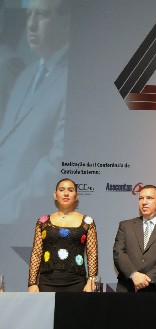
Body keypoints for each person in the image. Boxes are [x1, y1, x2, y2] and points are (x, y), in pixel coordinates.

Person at [0, 0, 70, 224]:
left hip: (22, 219)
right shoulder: (26, 75)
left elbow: (58, 163)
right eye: (29, 15)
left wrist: (7, 209)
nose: (31, 25)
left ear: (66, 22)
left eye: (42, 15)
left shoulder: (74, 78)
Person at [27, 178, 97, 292]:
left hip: (76, 281)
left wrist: (91, 279)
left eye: (70, 190)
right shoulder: (43, 221)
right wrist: (32, 283)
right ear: (55, 195)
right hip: (47, 281)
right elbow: (36, 252)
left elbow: (92, 252)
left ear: (76, 196)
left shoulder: (87, 222)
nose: (66, 193)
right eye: (61, 190)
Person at [113, 184, 156, 292]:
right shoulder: (126, 226)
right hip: (127, 288)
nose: (144, 202)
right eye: (141, 198)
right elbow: (118, 253)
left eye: (149, 198)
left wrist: (148, 279)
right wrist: (134, 274)